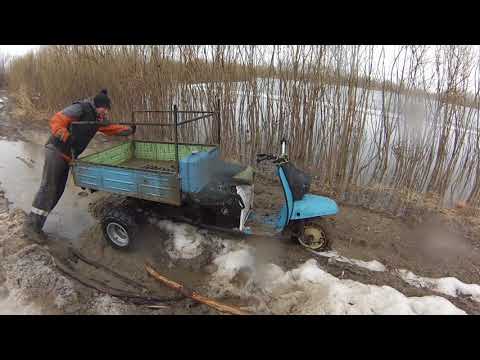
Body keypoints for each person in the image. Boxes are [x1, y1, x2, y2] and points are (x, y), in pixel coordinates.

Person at [23, 89, 136, 243]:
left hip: (68, 156)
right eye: (105, 109)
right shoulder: (81, 108)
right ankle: (31, 227)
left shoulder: (97, 118)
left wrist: (128, 130)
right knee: (49, 188)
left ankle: (38, 225)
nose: (106, 113)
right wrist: (65, 136)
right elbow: (57, 119)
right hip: (56, 151)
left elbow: (110, 129)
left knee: (58, 191)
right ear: (98, 105)